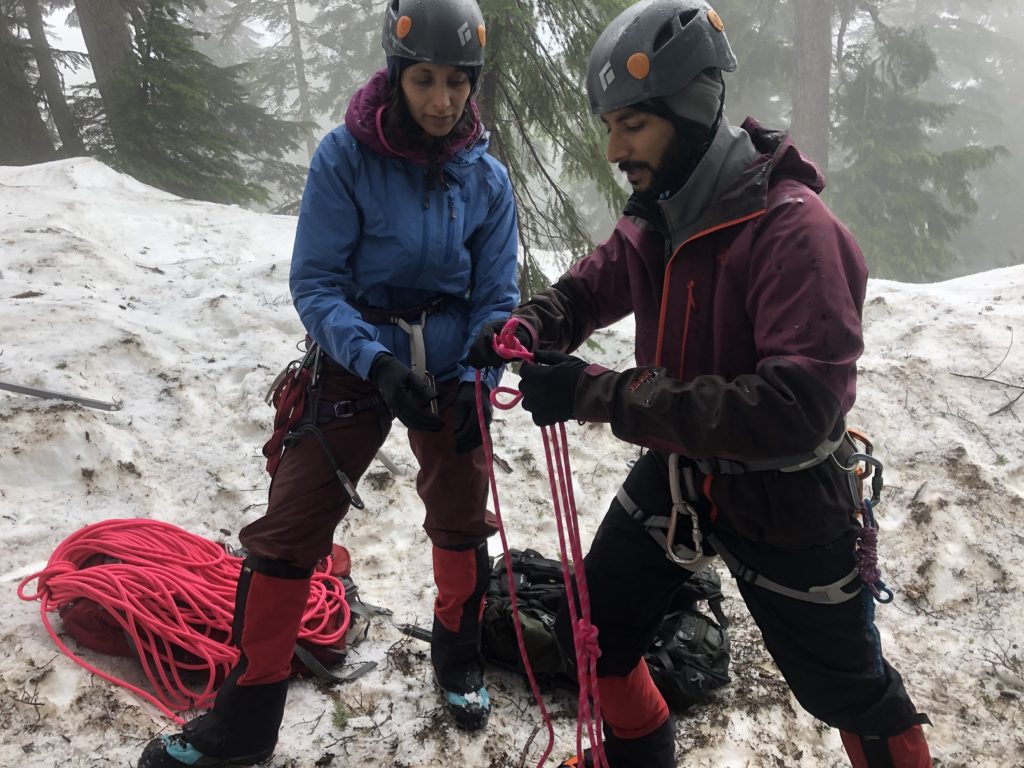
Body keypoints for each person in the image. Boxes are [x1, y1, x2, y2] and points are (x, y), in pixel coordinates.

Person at [468, 1, 933, 766]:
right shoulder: (664, 211)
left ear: (689, 111)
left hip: (784, 494)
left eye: (633, 125)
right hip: (682, 474)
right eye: (610, 125)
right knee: (599, 628)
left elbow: (793, 408)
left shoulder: (794, 232)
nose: (615, 148)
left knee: (848, 691)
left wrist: (596, 391)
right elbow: (597, 283)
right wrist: (539, 321)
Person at [140, 0, 518, 764]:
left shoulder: (486, 178)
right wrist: (374, 361)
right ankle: (244, 723)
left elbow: (495, 298)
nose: (443, 101)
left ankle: (457, 652)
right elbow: (316, 283)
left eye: (456, 82)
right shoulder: (345, 157)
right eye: (425, 81)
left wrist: (479, 376)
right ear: (397, 74)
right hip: (356, 357)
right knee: (288, 532)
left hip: (448, 365)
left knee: (459, 512)